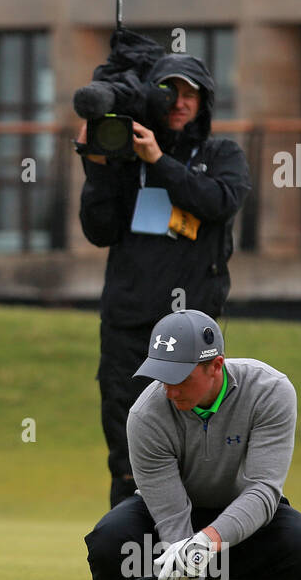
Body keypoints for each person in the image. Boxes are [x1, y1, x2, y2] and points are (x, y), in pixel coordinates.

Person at [83, 310, 301, 580]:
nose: (168, 389)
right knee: (112, 541)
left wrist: (207, 542)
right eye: (161, 375)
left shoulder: (270, 390)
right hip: (171, 527)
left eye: (179, 377)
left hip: (244, 524)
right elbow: (171, 517)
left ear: (216, 366)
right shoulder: (146, 416)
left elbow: (264, 492)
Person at [78, 53, 251, 509]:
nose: (179, 102)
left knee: (203, 449)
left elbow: (217, 202)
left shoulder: (221, 154)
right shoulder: (125, 161)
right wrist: (97, 166)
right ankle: (130, 566)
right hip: (127, 322)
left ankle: (225, 547)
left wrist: (158, 160)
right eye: (169, 92)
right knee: (128, 448)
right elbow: (98, 231)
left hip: (190, 330)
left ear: (205, 101)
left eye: (189, 93)